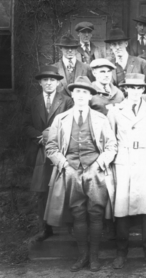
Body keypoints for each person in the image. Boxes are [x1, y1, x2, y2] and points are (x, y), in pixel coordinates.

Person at [44, 76, 117, 272]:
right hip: (71, 172)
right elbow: (50, 147)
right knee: (78, 214)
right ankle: (83, 256)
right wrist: (65, 165)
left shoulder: (101, 119)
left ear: (90, 95)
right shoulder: (61, 119)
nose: (81, 95)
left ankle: (94, 258)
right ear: (73, 94)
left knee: (95, 214)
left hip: (95, 173)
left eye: (85, 92)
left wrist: (98, 164)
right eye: (77, 91)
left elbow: (111, 146)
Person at [108, 73, 146, 269]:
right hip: (124, 159)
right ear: (126, 89)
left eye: (139, 88)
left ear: (143, 90)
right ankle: (121, 253)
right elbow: (110, 138)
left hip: (145, 159)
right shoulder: (115, 111)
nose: (136, 92)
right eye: (132, 88)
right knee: (121, 209)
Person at [24, 66, 74, 241]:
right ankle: (45, 229)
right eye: (45, 80)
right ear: (40, 83)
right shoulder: (33, 102)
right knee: (42, 189)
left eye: (52, 80)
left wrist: (52, 137)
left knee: (65, 187)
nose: (48, 83)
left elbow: (70, 125)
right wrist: (40, 137)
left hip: (61, 150)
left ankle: (70, 228)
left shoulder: (67, 101)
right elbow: (27, 125)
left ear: (58, 82)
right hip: (40, 151)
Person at [105, 28, 146, 106]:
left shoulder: (140, 62)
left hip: (137, 107)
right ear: (111, 47)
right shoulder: (107, 65)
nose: (117, 47)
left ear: (126, 44)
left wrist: (142, 98)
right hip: (116, 108)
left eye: (120, 43)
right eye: (114, 44)